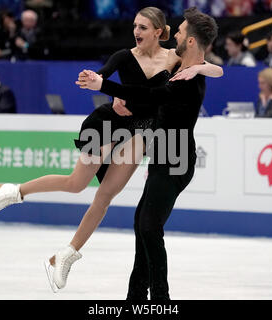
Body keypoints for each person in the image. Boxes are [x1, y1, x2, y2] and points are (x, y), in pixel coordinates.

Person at [0, 7, 223, 292]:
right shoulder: (123, 56)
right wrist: (103, 86)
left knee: (105, 196)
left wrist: (200, 67)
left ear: (159, 31)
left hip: (141, 132)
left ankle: (64, 257)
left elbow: (215, 68)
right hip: (106, 124)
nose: (137, 32)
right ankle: (10, 191)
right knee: (76, 183)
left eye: (143, 27)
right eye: (135, 26)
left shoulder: (174, 57)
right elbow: (100, 77)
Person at [77, 7, 218, 300]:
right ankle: (137, 295)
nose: (174, 34)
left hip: (176, 160)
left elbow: (149, 96)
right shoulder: (183, 67)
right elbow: (217, 68)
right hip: (164, 155)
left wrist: (106, 85)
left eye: (179, 31)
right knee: (143, 223)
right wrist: (204, 66)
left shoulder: (187, 79)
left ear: (190, 41)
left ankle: (161, 298)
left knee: (149, 226)